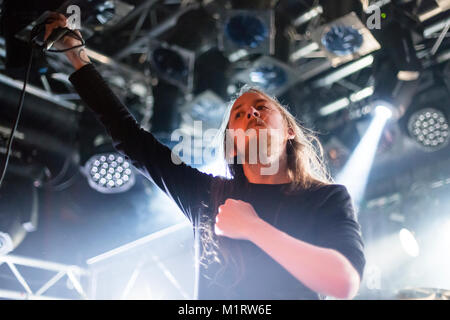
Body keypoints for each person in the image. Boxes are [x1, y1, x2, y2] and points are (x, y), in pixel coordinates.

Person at [44, 13, 365, 300]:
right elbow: (130, 137)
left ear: (290, 132)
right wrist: (76, 56)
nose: (250, 112)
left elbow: (343, 283)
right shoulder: (207, 194)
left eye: (262, 107)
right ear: (233, 145)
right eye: (239, 114)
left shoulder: (326, 199)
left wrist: (253, 228)